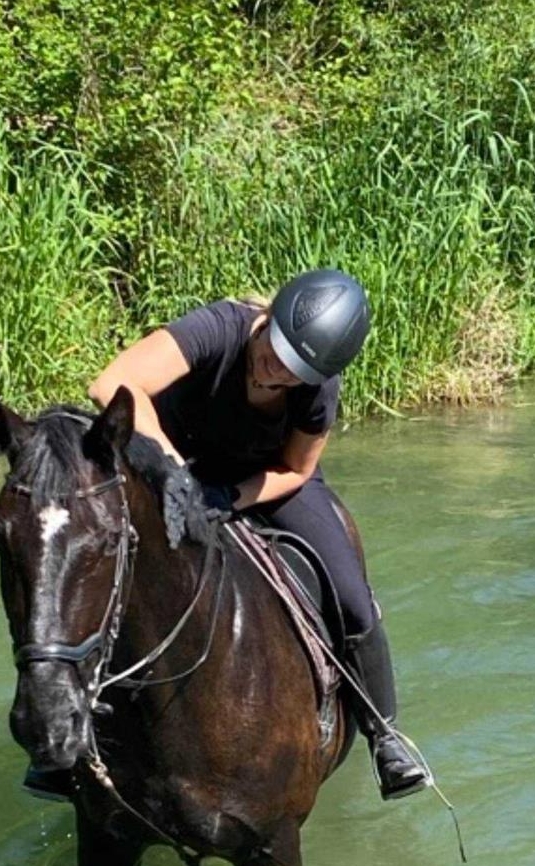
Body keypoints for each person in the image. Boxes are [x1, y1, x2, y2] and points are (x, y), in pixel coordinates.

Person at [87, 269, 432, 801]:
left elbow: (296, 468)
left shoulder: (317, 388)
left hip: (268, 479)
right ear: (269, 317)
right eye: (277, 347)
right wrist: (175, 472)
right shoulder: (220, 327)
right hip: (174, 463)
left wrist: (232, 498)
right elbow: (111, 383)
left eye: (295, 370)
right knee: (93, 563)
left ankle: (385, 736)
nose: (276, 367)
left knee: (351, 596)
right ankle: (73, 736)